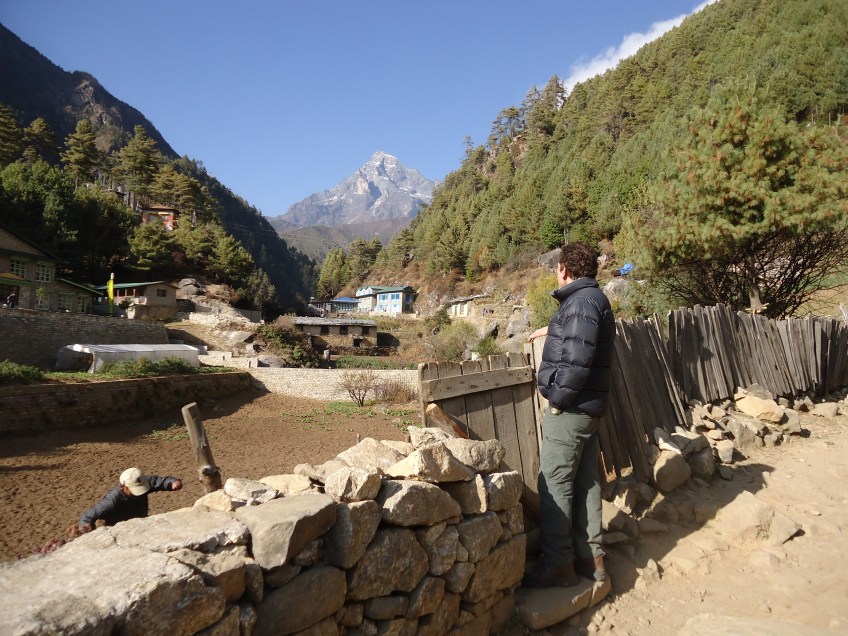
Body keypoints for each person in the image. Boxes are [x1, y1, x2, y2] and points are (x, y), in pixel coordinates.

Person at [524, 242, 616, 587]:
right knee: (587, 482)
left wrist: (558, 399)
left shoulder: (580, 303)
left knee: (554, 482)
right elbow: (582, 338)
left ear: (564, 269)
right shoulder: (589, 301)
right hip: (589, 408)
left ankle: (558, 564)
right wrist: (553, 329)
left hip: (572, 408)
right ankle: (591, 560)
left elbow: (577, 362)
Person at [78, 467, 183, 532]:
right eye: (135, 490)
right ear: (123, 487)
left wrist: (172, 483)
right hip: (121, 533)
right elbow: (87, 517)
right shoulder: (112, 501)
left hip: (141, 526)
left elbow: (159, 481)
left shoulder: (142, 481)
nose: (140, 493)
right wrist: (86, 529)